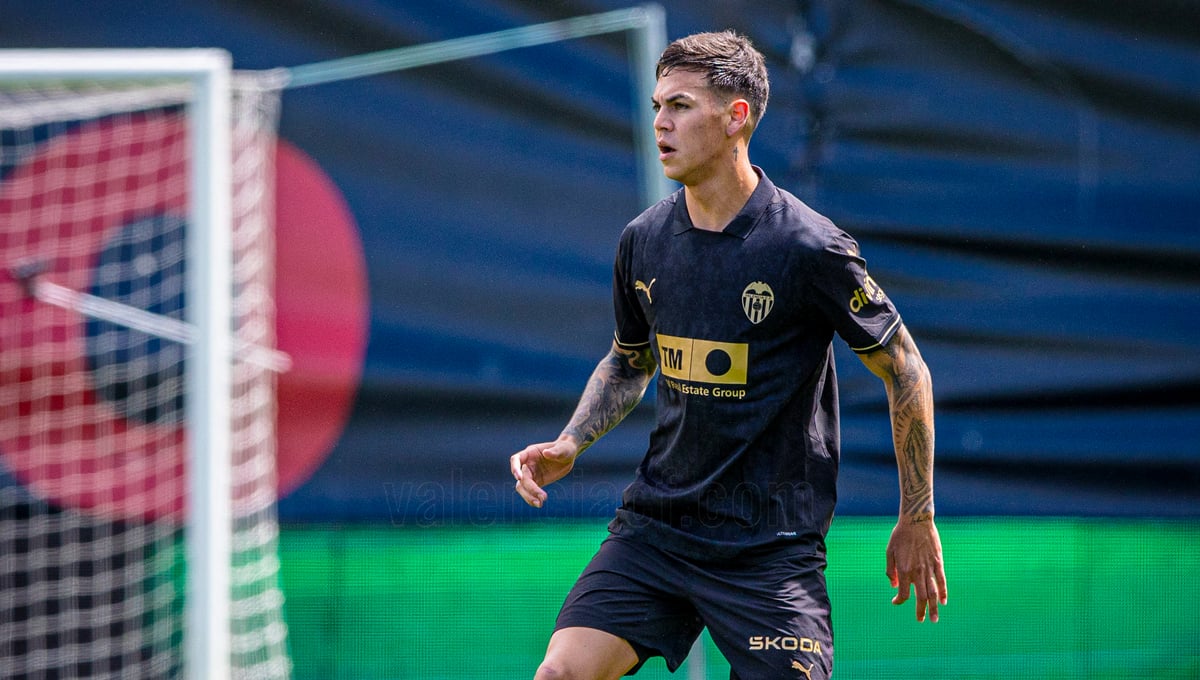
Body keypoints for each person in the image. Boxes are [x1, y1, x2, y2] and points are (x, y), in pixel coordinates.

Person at [510, 30, 946, 680]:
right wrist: (571, 442)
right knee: (560, 673)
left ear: (736, 116)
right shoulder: (643, 240)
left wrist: (917, 515)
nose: (660, 122)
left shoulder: (810, 248)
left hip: (769, 549)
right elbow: (630, 360)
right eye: (657, 105)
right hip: (658, 530)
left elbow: (905, 368)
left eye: (680, 106)